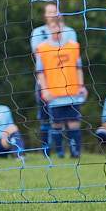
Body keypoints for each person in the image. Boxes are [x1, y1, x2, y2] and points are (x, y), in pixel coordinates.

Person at [35, 21, 87, 158]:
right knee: (56, 124)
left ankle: (75, 152)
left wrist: (81, 86)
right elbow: (40, 72)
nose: (56, 29)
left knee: (73, 123)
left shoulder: (73, 46)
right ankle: (60, 153)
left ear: (63, 28)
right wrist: (44, 90)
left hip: (72, 92)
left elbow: (79, 68)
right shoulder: (43, 48)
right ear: (49, 29)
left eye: (58, 26)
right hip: (54, 93)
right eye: (53, 27)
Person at [30, 3, 77, 147]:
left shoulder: (69, 31)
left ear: (59, 13)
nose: (52, 15)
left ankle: (72, 149)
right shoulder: (38, 32)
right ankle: (46, 149)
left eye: (54, 12)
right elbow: (38, 54)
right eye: (49, 12)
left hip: (67, 81)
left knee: (70, 117)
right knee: (45, 117)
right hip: (45, 80)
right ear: (45, 15)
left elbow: (73, 54)